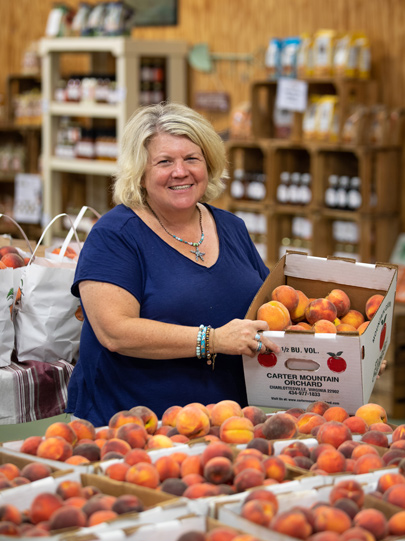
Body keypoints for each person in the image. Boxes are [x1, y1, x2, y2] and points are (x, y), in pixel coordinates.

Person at [66, 102, 280, 426]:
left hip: (225, 424)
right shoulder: (115, 235)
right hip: (132, 428)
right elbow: (116, 332)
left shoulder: (230, 227)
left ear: (208, 164)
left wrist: (343, 347)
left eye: (191, 159)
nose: (180, 172)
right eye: (164, 162)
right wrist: (214, 340)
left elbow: (269, 311)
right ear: (140, 172)